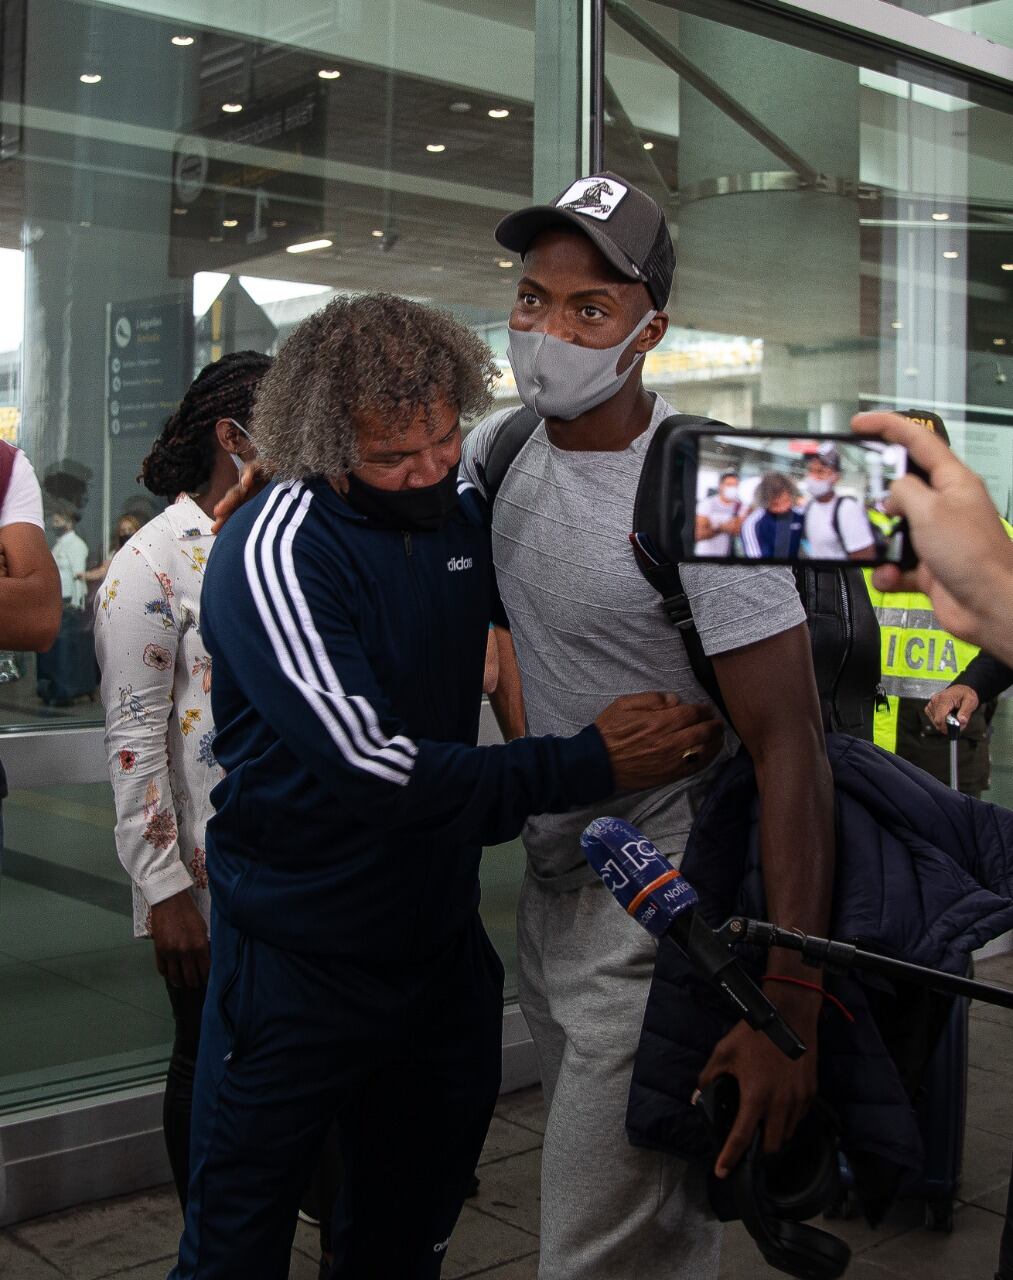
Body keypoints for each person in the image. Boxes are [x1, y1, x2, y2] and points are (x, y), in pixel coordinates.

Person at [168, 292, 722, 1280]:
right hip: (297, 964)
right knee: (233, 1245)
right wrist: (589, 760)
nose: (425, 470)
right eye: (390, 458)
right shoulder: (274, 548)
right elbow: (374, 770)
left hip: (434, 955)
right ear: (321, 442)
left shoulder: (466, 493)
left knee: (403, 1237)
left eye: (438, 439)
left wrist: (857, 514)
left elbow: (588, 537)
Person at [461, 171, 834, 1280]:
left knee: (594, 1252)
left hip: (672, 913)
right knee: (649, 1240)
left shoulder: (723, 478)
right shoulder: (501, 448)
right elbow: (505, 635)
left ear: (647, 331)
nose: (547, 331)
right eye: (532, 299)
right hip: (556, 891)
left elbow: (791, 744)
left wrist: (789, 1005)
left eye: (589, 308)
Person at [93, 351, 270, 1213]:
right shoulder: (152, 562)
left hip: (282, 863)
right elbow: (132, 737)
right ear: (231, 437)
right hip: (197, 873)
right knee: (202, 1053)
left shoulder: (278, 541)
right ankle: (209, 1225)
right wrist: (164, 890)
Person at [849, 411, 1013, 1280]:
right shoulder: (853, 536)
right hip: (868, 755)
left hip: (941, 754)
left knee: (934, 947)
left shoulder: (986, 534)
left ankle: (918, 1152)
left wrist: (972, 677)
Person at [866, 412, 1013, 796]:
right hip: (860, 727)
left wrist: (973, 683)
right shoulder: (851, 532)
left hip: (944, 727)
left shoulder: (994, 534)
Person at [853, 411, 1013, 666]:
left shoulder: (994, 531)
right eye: (903, 458)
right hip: (868, 697)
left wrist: (974, 683)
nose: (913, 470)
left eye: (920, 459)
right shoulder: (855, 528)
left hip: (959, 694)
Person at [803, 443, 877, 561]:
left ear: (836, 477)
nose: (813, 477)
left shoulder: (847, 508)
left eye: (821, 472)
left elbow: (864, 557)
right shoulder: (811, 506)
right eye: (811, 470)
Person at [739, 472, 805, 560]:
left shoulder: (800, 516)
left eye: (786, 501)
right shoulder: (752, 524)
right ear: (766, 501)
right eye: (776, 504)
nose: (782, 508)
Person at [78, 512, 144, 587]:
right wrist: (86, 575)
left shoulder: (143, 552)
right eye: (123, 531)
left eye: (130, 530)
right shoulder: (114, 554)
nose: (126, 533)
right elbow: (102, 571)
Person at [694, 470, 742, 556]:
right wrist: (721, 528)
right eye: (729, 485)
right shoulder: (707, 504)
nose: (732, 488)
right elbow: (699, 535)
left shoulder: (740, 506)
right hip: (704, 556)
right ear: (721, 486)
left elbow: (738, 530)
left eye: (735, 485)